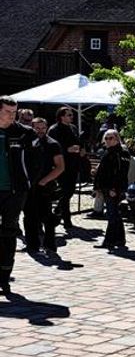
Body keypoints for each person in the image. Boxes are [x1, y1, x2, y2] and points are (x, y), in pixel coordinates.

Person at [1, 97, 40, 292]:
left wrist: (28, 182)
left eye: (14, 112)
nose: (12, 115)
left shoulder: (25, 133)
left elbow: (37, 160)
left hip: (14, 191)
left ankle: (4, 275)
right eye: (7, 111)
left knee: (9, 231)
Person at [23, 117, 64, 254]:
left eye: (43, 128)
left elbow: (60, 167)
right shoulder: (27, 142)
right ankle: (32, 245)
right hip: (29, 185)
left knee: (46, 217)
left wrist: (44, 181)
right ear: (32, 127)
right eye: (37, 128)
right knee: (29, 217)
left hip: (45, 186)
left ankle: (50, 244)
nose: (40, 131)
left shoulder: (53, 144)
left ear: (46, 128)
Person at [93, 129, 130, 251]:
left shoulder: (121, 152)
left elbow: (120, 173)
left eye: (111, 138)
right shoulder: (109, 152)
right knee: (115, 214)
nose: (108, 140)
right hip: (106, 187)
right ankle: (120, 239)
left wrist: (114, 188)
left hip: (114, 188)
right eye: (106, 138)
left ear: (117, 139)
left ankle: (109, 241)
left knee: (112, 215)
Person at [47, 106, 82, 230]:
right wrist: (67, 150)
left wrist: (80, 149)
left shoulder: (73, 128)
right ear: (61, 116)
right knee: (65, 190)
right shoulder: (54, 129)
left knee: (69, 190)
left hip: (73, 164)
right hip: (61, 164)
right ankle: (66, 220)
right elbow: (51, 146)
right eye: (69, 115)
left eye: (72, 115)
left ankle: (58, 209)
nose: (72, 117)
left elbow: (77, 141)